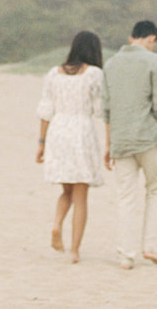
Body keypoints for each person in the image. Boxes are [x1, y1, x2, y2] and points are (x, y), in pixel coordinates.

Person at [102, 20, 157, 269]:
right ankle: (148, 246)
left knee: (126, 197)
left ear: (132, 37)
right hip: (148, 138)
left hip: (120, 138)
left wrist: (108, 145)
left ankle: (125, 255)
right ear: (151, 39)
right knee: (154, 189)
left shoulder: (111, 64)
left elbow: (106, 109)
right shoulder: (154, 62)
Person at [36, 30, 105, 263]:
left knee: (66, 191)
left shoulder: (54, 73)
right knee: (81, 197)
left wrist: (41, 142)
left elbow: (46, 109)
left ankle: (56, 225)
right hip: (81, 132)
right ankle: (75, 250)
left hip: (58, 131)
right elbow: (99, 109)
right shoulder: (94, 74)